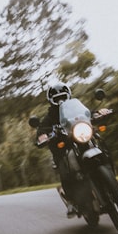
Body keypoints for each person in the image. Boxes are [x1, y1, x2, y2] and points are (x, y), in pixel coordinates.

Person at [36, 82, 80, 216]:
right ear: (51, 101)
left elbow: (87, 112)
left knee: (102, 149)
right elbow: (41, 130)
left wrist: (98, 113)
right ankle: (71, 202)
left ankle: (116, 189)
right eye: (56, 99)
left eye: (63, 97)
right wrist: (42, 136)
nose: (60, 101)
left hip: (80, 139)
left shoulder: (75, 107)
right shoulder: (49, 117)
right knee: (64, 169)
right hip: (62, 149)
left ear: (68, 96)